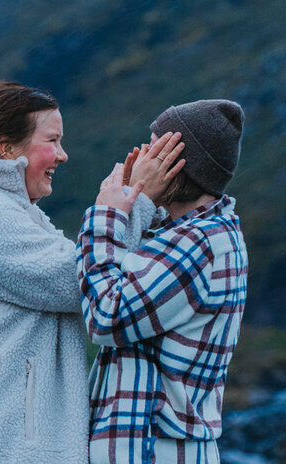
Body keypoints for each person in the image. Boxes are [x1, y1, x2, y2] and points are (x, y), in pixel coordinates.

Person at [0, 81, 181, 463]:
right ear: (7, 148)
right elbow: (84, 284)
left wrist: (125, 208)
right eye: (52, 141)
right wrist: (133, 202)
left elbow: (92, 267)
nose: (63, 155)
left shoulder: (8, 208)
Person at [78, 99, 249, 464]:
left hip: (153, 450)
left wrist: (106, 217)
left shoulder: (200, 243)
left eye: (156, 152)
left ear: (180, 167)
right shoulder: (190, 235)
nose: (142, 160)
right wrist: (135, 209)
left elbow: (106, 315)